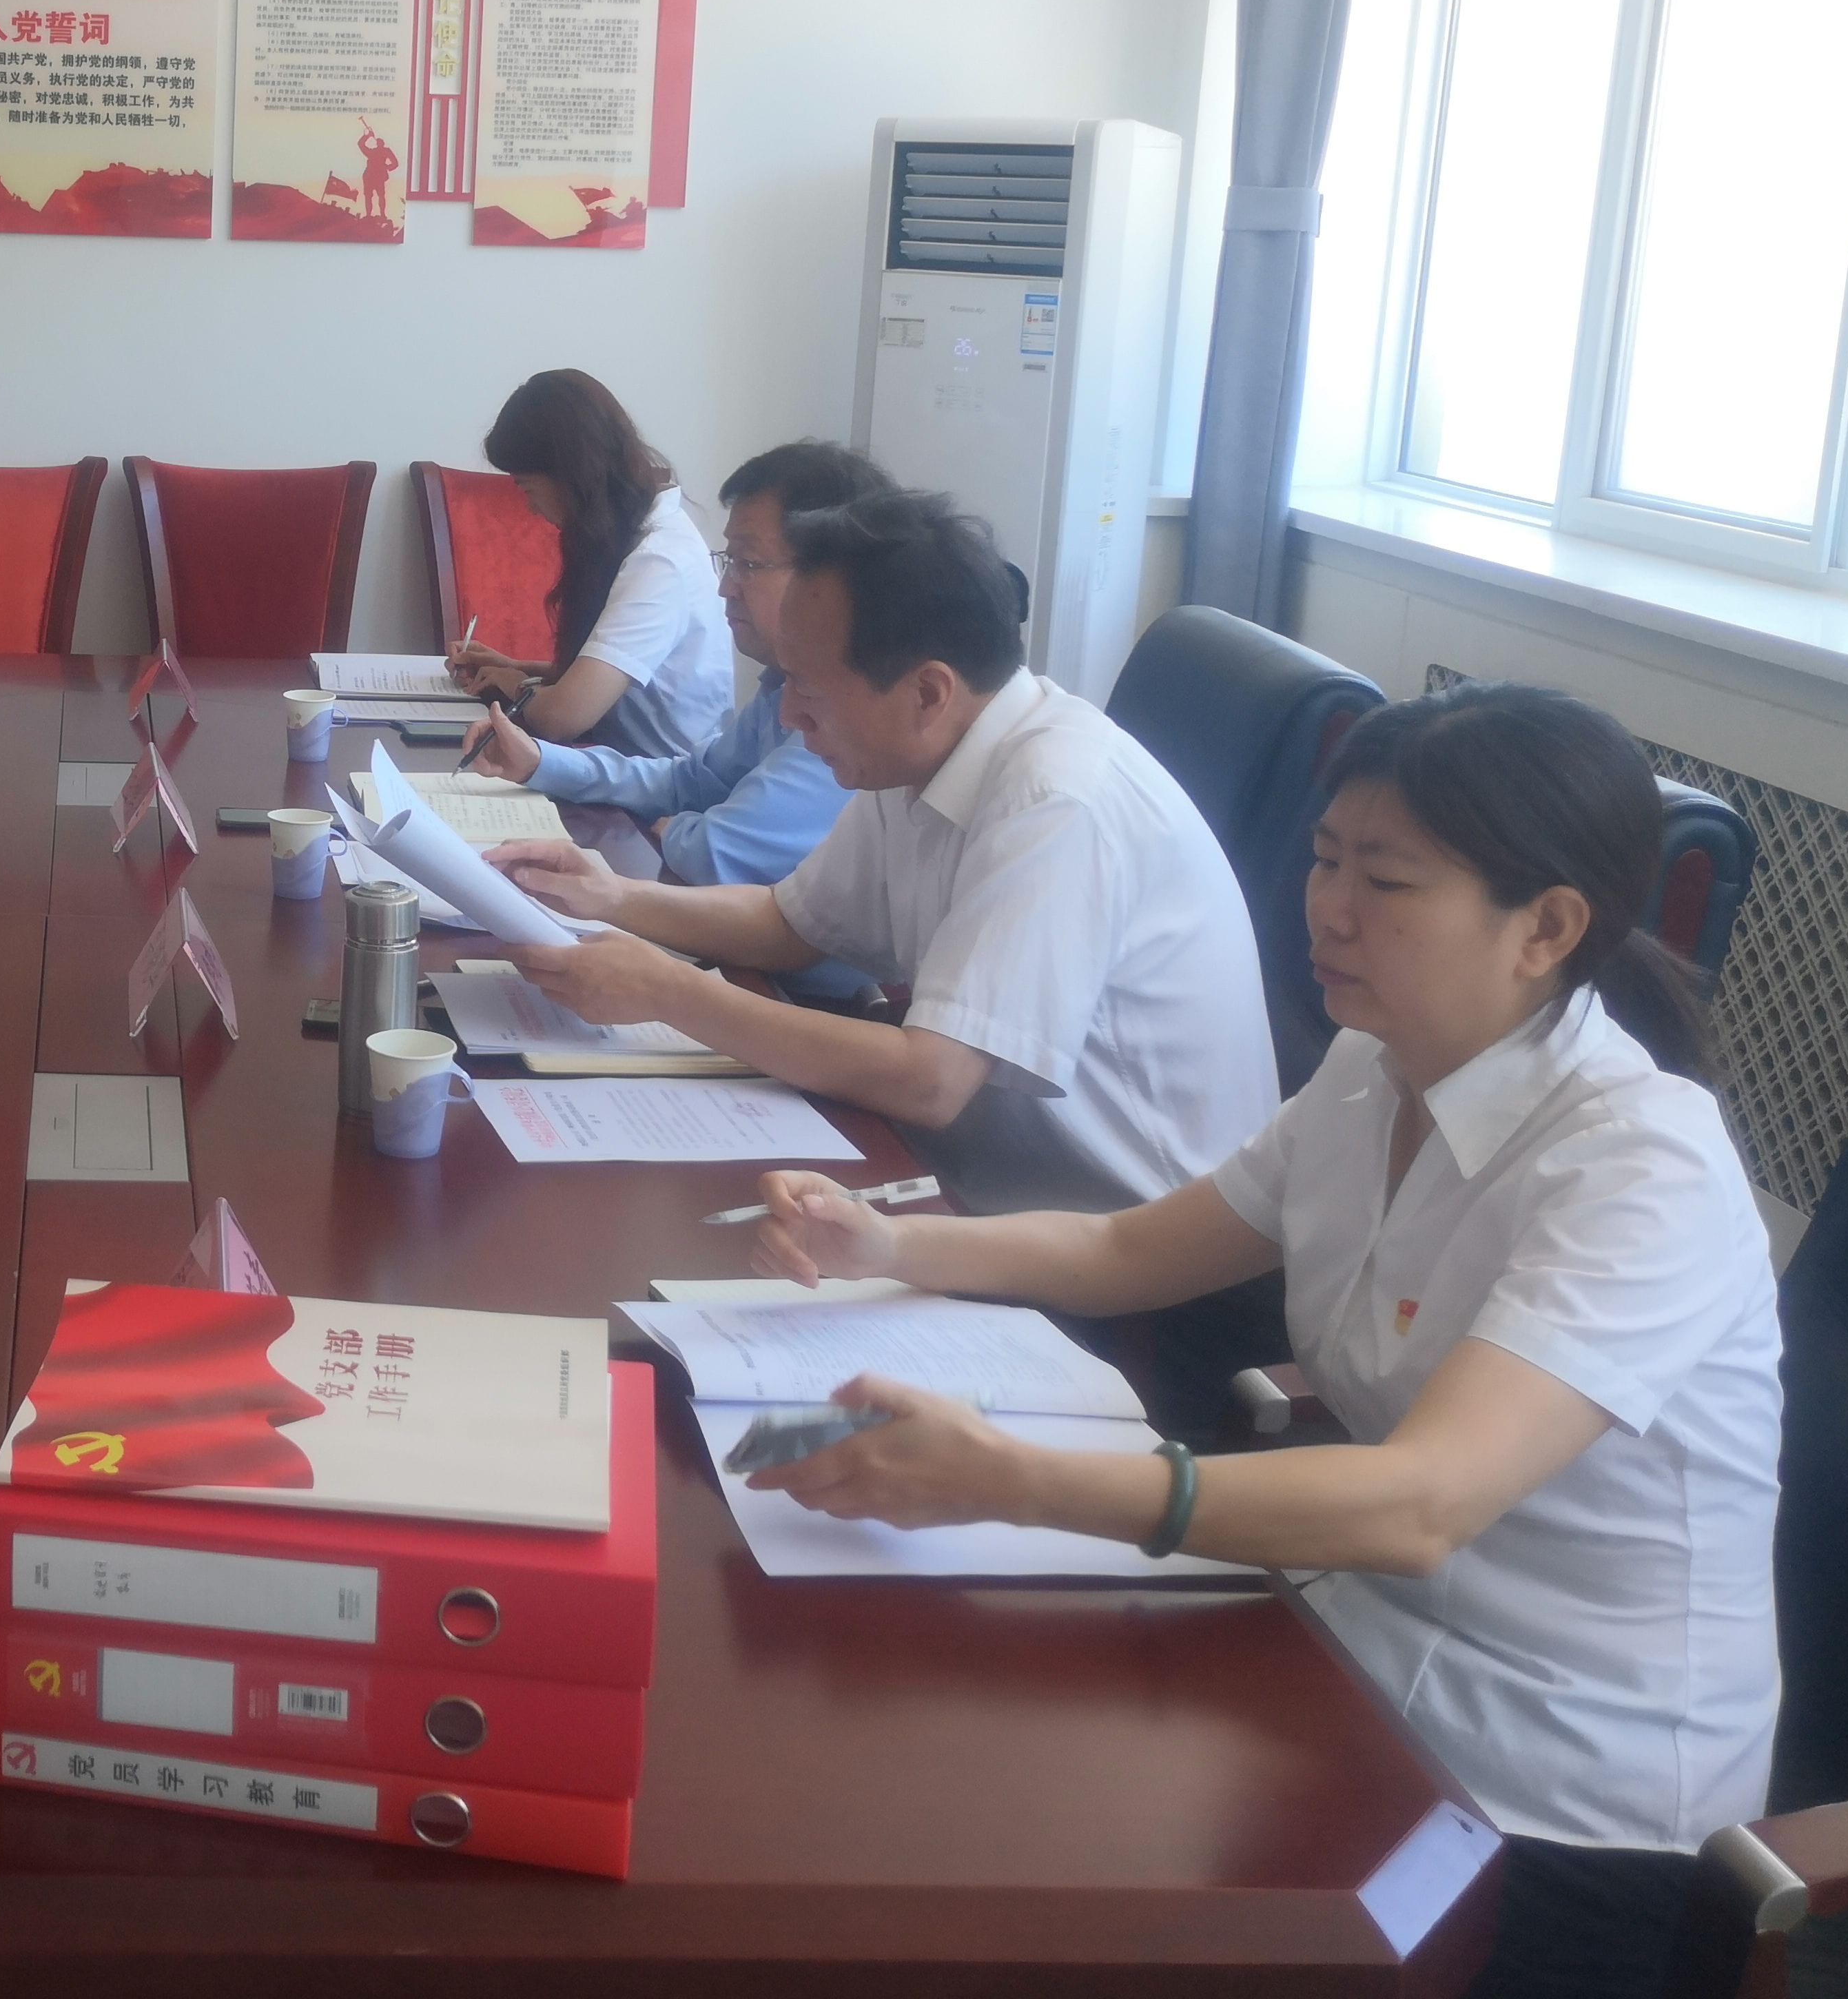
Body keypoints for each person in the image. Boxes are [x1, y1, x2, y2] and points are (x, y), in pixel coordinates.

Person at [723, 680, 1779, 1999]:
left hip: (1559, 1799)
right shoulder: (1371, 1067)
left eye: (1387, 880)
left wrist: (1011, 1480)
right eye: (1327, 859)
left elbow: (1424, 1503)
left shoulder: (1641, 1167)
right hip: (1348, 1661)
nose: (1327, 907)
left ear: (1546, 927)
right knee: (955, 1769)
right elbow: (1129, 1252)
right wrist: (886, 1246)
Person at [491, 485, 1273, 1222]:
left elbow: (930, 1081)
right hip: (984, 1184)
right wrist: (615, 897)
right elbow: (790, 924)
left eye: (808, 687)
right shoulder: (912, 757)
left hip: (1130, 1246)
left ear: (928, 692)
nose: (788, 717)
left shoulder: (1056, 800)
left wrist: (670, 992)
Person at [460, 440, 886, 992]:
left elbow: (715, 856)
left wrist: (677, 826)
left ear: (830, 580)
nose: (725, 587)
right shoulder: (785, 684)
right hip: (736, 963)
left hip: (801, 1002)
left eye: (749, 564)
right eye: (728, 561)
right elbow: (690, 780)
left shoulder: (850, 710)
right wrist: (542, 762)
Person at [444, 369, 733, 761]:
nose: (531, 508)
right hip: (619, 760)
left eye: (528, 488)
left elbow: (563, 718)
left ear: (572, 475)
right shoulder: (628, 534)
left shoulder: (660, 561)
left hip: (665, 780)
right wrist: (514, 667)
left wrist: (513, 682)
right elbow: (604, 681)